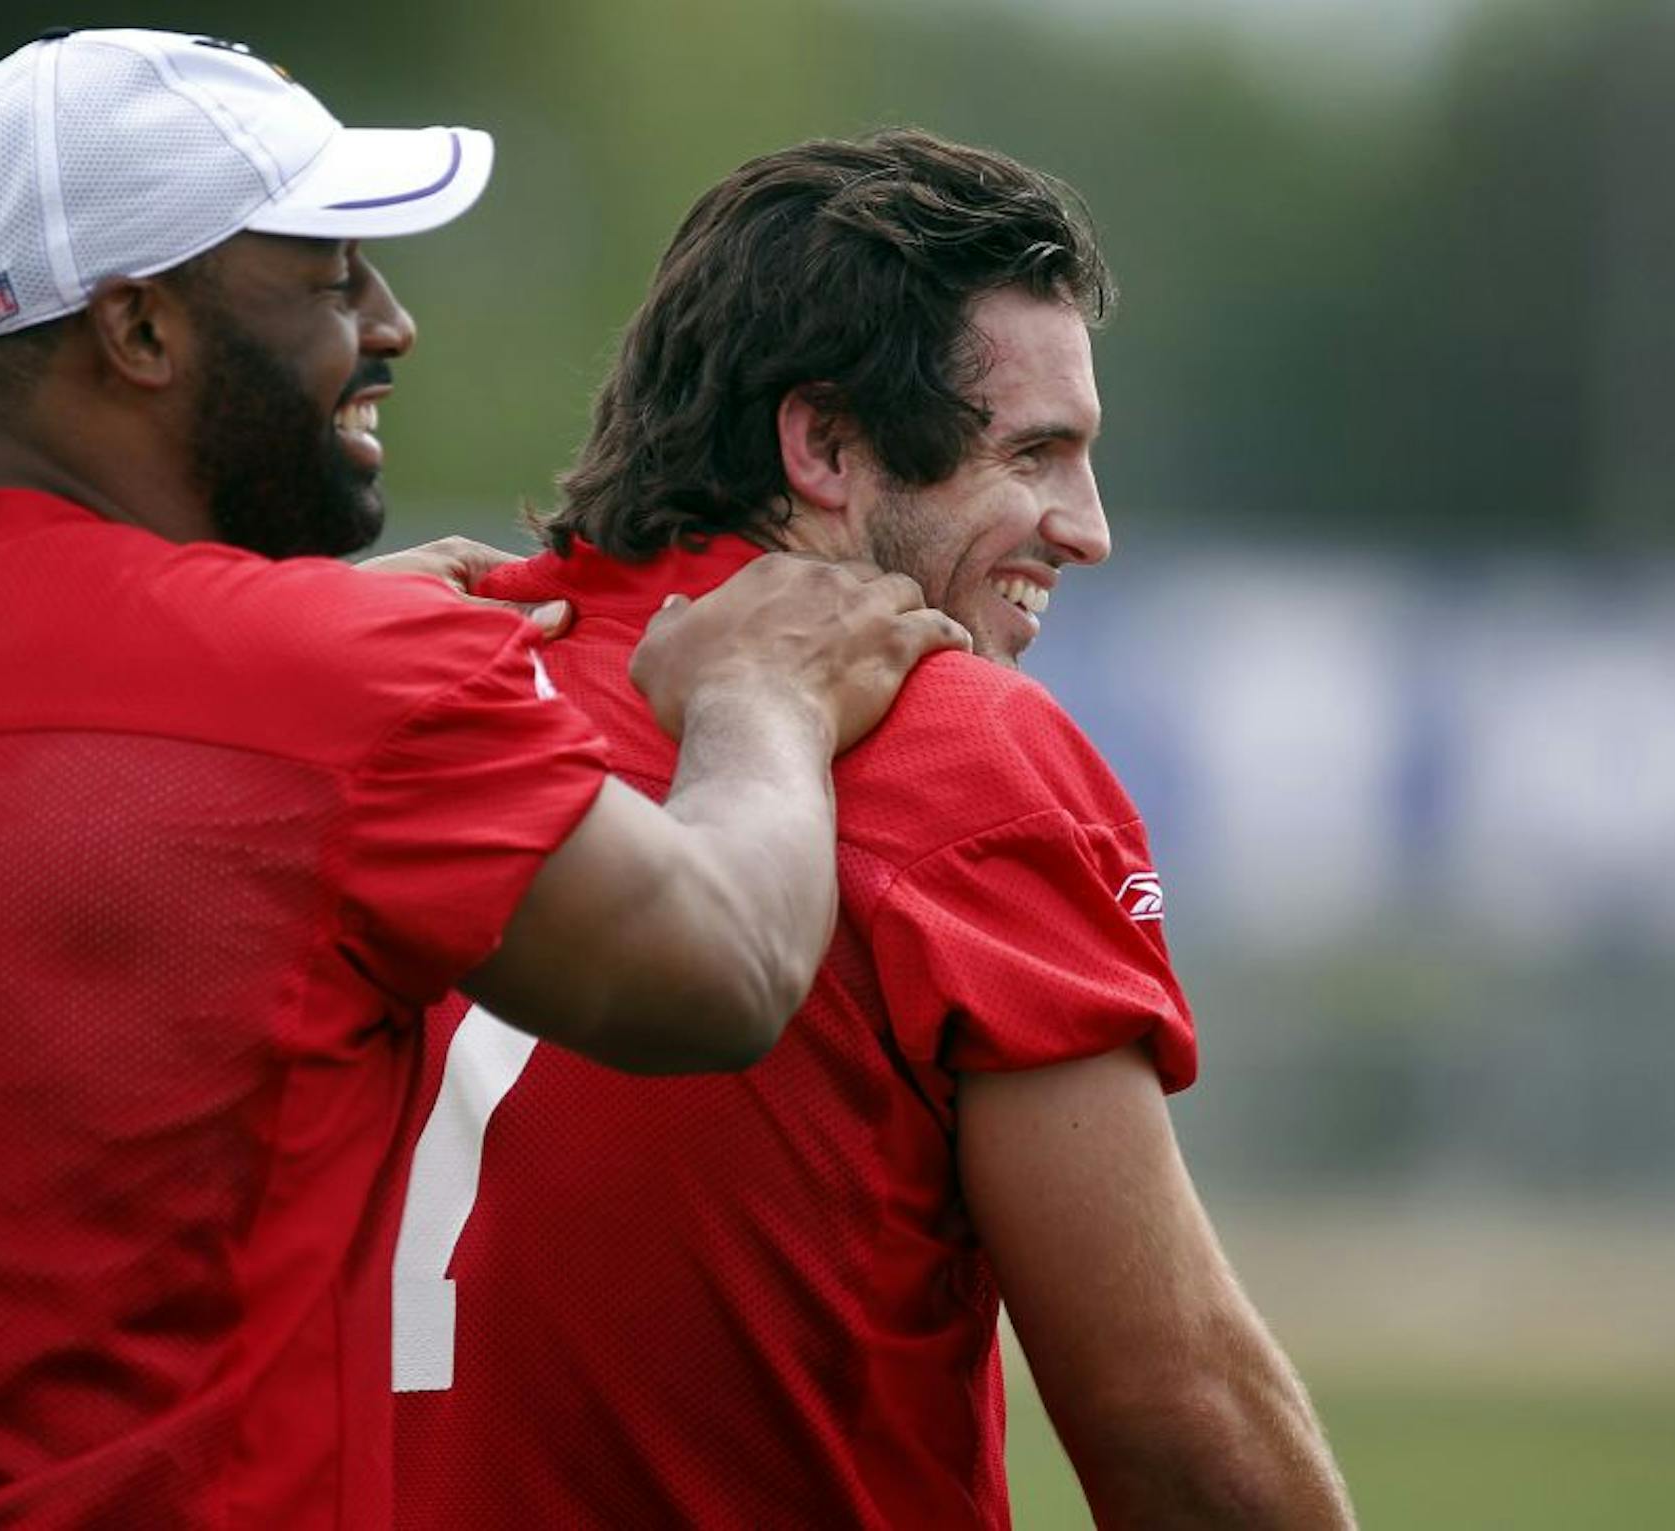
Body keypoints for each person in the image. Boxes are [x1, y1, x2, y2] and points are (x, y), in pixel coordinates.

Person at [0, 32, 963, 1527]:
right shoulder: (322, 688)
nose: (392, 322)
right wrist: (760, 700)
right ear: (142, 330)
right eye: (331, 276)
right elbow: (721, 968)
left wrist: (268, 646)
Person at [393, 130, 1356, 1528]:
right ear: (826, 445)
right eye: (1035, 453)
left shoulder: (384, 679)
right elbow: (1176, 1423)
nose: (1087, 529)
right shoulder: (953, 745)